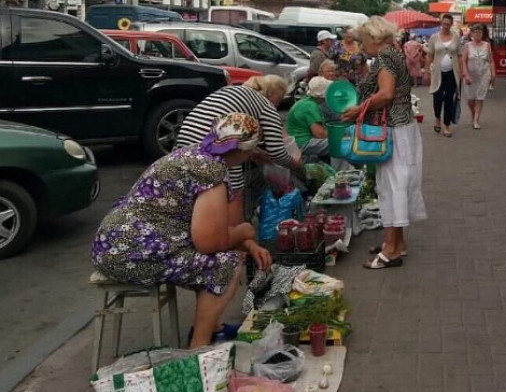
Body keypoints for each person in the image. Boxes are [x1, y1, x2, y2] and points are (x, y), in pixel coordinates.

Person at [92, 114, 273, 348]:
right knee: (225, 264)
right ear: (244, 151)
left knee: (216, 258)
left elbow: (214, 227)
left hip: (113, 243)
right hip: (132, 253)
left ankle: (213, 329)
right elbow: (209, 242)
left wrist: (248, 243)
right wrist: (245, 231)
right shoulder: (210, 171)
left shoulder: (197, 154)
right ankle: (198, 347)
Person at [341, 16, 426, 269]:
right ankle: (397, 243)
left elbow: (386, 94)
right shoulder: (394, 54)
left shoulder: (385, 58)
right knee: (396, 184)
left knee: (392, 187)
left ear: (374, 37)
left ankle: (391, 250)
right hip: (401, 128)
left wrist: (359, 110)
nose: (361, 44)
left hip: (393, 130)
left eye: (363, 39)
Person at [176, 75, 302, 223]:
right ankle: (235, 230)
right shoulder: (266, 105)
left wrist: (258, 153)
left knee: (196, 189)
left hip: (185, 141)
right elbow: (277, 151)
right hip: (218, 144)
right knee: (233, 192)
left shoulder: (228, 91)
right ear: (274, 95)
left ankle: (205, 226)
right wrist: (295, 164)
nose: (277, 106)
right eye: (280, 100)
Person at [424, 14, 461, 137]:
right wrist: (426, 72)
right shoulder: (434, 37)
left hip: (452, 73)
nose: (446, 26)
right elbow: (429, 55)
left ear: (451, 24)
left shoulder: (456, 37)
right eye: (444, 24)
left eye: (448, 24)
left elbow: (459, 55)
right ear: (441, 24)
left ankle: (447, 125)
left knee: (449, 99)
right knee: (438, 98)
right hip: (437, 73)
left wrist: (463, 71)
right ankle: (437, 118)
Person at [286, 76, 333, 159]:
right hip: (302, 143)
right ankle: (339, 171)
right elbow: (320, 134)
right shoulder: (310, 106)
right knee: (339, 145)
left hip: (296, 142)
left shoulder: (305, 101)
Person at [460, 23, 496, 129]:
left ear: (482, 34)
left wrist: (493, 73)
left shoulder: (487, 45)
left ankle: (476, 120)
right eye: (476, 32)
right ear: (472, 33)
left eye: (480, 32)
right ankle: (473, 113)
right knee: (470, 99)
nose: (478, 34)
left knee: (480, 98)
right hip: (470, 75)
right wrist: (465, 74)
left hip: (484, 74)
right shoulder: (467, 46)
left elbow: (491, 61)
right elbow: (463, 61)